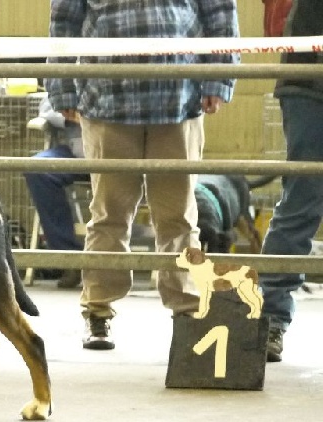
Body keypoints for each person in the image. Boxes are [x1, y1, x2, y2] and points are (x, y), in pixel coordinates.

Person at [47, 0, 239, 350]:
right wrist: (61, 89)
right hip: (107, 101)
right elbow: (63, 23)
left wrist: (219, 79)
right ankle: (98, 311)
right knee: (108, 214)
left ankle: (188, 311)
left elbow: (220, 13)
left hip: (179, 99)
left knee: (178, 215)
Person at [259, 0, 323, 363]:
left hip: (303, 81)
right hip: (306, 82)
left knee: (299, 201)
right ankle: (270, 318)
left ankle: (271, 315)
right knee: (301, 199)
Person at [23, 95, 87, 289]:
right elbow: (47, 105)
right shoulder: (69, 70)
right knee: (37, 168)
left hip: (119, 151)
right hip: (75, 153)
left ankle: (114, 263)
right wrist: (69, 114)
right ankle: (70, 259)